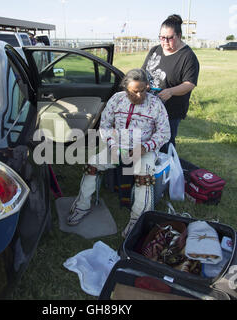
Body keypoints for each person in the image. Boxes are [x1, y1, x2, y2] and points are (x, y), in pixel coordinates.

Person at [67, 69, 171, 238]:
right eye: (134, 91)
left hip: (144, 148)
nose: (139, 95)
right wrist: (112, 145)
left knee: (143, 175)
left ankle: (138, 219)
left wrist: (145, 147)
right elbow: (105, 126)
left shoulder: (155, 105)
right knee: (92, 164)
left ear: (147, 87)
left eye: (143, 90)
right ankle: (82, 205)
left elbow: (164, 133)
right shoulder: (116, 100)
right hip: (117, 146)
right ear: (125, 88)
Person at [142, 14, 200, 152]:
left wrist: (170, 91)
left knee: (165, 144)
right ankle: (146, 171)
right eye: (162, 37)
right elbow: (143, 71)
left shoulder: (188, 57)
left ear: (179, 36)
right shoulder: (155, 50)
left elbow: (189, 83)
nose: (165, 41)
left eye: (170, 38)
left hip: (171, 110)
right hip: (150, 106)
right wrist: (144, 83)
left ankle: (166, 169)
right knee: (147, 140)